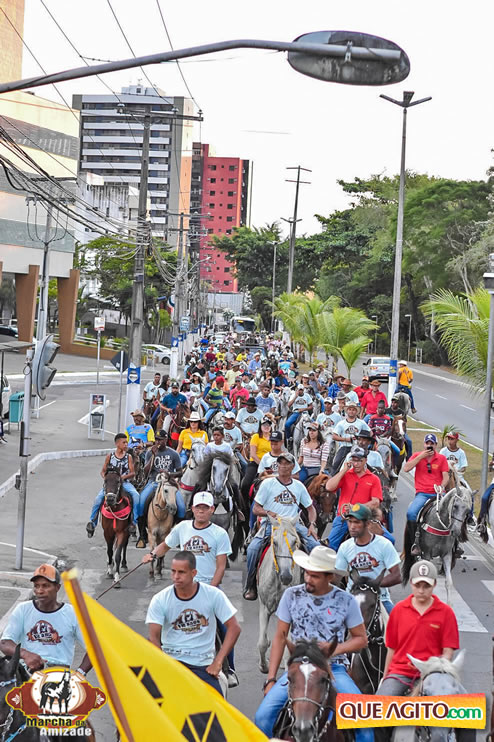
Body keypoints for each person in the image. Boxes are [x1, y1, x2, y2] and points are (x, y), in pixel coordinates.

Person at [254, 546, 372, 742]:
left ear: (330, 577)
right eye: (307, 573)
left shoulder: (346, 601)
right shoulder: (291, 595)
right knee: (262, 717)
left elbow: (361, 639)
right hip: (298, 668)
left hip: (333, 669)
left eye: (315, 576)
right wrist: (271, 678)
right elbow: (280, 637)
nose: (308, 579)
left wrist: (334, 649)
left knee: (363, 720)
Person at [374, 560, 459, 742]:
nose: (421, 590)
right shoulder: (398, 610)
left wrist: (435, 671)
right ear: (411, 583)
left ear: (434, 584)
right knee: (377, 711)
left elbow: (448, 652)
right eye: (417, 585)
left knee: (469, 710)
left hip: (435, 675)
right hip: (401, 673)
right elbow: (391, 649)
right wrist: (385, 677)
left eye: (426, 586)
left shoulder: (446, 613)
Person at [146, 550, 241, 694]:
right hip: (171, 662)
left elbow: (234, 627)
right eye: (173, 571)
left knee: (216, 706)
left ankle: (229, 670)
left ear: (194, 573)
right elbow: (154, 637)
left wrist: (218, 662)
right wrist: (163, 666)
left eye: (181, 572)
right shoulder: (160, 599)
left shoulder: (213, 595)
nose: (176, 577)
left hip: (202, 664)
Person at [243, 452, 319, 600]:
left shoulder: (299, 486)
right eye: (281, 463)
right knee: (252, 549)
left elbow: (311, 509)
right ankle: (250, 584)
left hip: (293, 524)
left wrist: (312, 524)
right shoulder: (267, 484)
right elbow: (256, 508)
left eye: (287, 464)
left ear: (293, 467)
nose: (283, 466)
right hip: (272, 524)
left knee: (315, 546)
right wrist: (267, 513)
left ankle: (315, 584)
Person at [0, 564, 91, 675]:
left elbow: (94, 649)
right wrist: (26, 654)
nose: (40, 591)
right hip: (27, 673)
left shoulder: (73, 613)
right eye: (36, 586)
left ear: (57, 588)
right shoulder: (23, 609)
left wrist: (79, 674)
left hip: (58, 674)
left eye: (45, 586)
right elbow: (5, 643)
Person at [143, 492, 232, 585]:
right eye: (198, 507)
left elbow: (221, 567)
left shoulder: (220, 534)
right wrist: (152, 554)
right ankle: (142, 530)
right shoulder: (182, 527)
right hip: (185, 584)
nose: (201, 511)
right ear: (192, 509)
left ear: (212, 509)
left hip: (208, 583)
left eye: (205, 508)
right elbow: (165, 545)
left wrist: (211, 589)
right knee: (142, 501)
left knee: (180, 507)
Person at [335, 503, 401, 614]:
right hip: (352, 599)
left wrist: (372, 585)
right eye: (350, 522)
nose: (352, 526)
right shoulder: (345, 547)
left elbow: (397, 576)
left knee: (397, 621)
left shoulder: (384, 545)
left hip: (380, 598)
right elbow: (337, 577)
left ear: (368, 524)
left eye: (357, 522)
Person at [325, 446, 383, 550]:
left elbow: (375, 502)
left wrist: (356, 508)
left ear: (365, 460)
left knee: (389, 539)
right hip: (345, 517)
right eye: (354, 460)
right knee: (330, 545)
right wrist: (343, 470)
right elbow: (329, 487)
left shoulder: (374, 479)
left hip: (365, 518)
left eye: (359, 461)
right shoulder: (345, 475)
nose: (356, 464)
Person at [403, 434, 450, 556]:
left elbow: (446, 476)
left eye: (432, 443)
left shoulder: (441, 458)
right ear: (424, 444)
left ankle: (455, 544)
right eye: (427, 443)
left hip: (438, 493)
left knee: (453, 511)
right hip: (422, 493)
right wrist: (420, 457)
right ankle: (415, 542)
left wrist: (442, 486)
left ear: (436, 445)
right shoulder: (417, 456)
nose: (429, 446)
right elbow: (406, 468)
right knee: (411, 513)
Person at [86, 433, 140, 537]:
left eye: (126, 442)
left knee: (136, 496)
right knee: (98, 499)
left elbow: (133, 473)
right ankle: (92, 523)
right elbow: (103, 471)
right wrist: (107, 478)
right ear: (117, 444)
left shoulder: (128, 457)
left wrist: (122, 478)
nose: (126, 444)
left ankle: (134, 522)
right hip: (111, 484)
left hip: (125, 483)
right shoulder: (110, 456)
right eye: (124, 442)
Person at [138, 430, 184, 545]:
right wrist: (153, 456)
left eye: (160, 440)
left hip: (169, 483)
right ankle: (142, 534)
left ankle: (178, 533)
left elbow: (180, 472)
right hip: (154, 481)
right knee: (141, 502)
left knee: (182, 507)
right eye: (156, 440)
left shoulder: (173, 453)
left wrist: (169, 474)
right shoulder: (150, 453)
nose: (158, 442)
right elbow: (146, 472)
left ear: (166, 440)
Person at [331, 401, 371, 474]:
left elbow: (370, 432)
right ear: (347, 411)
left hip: (359, 447)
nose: (351, 411)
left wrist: (363, 440)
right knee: (336, 463)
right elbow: (334, 436)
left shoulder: (361, 423)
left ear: (356, 412)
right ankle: (334, 477)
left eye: (353, 410)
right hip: (345, 447)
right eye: (350, 409)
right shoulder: (341, 423)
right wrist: (345, 439)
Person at [241, 417, 274, 500]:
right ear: (260, 426)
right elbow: (253, 454)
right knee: (246, 484)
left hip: (271, 465)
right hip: (256, 463)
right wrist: (262, 465)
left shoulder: (273, 438)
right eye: (264, 425)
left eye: (268, 425)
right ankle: (245, 503)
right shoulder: (256, 437)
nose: (266, 427)